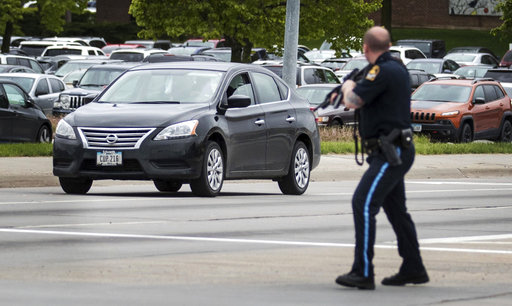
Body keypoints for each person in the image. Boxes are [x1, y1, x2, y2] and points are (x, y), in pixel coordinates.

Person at [332, 26, 429, 290]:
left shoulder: (381, 71)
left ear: (366, 48)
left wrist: (348, 84)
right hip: (394, 149)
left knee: (362, 203)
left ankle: (363, 271)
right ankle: (414, 267)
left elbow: (353, 100)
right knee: (397, 211)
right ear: (388, 45)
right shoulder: (396, 67)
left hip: (391, 150)